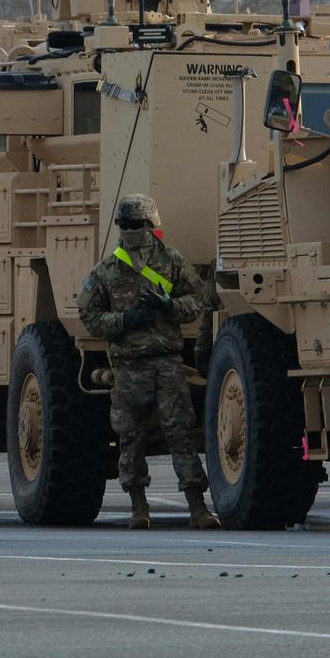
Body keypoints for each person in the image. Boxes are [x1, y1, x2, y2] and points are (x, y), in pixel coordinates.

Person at [78, 194, 220, 529]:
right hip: (128, 367)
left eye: (138, 224)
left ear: (152, 225)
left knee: (181, 434)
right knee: (131, 438)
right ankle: (138, 507)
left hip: (167, 363)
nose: (132, 231)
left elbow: (197, 300)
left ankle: (197, 507)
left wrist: (169, 307)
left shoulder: (170, 261)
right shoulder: (106, 270)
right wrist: (126, 321)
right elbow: (89, 314)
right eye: (126, 225)